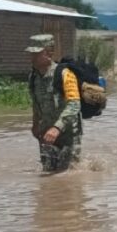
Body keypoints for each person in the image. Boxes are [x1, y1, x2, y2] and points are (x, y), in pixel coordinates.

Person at [27, 34, 82, 172]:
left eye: (37, 54)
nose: (32, 58)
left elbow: (74, 104)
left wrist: (57, 128)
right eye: (31, 54)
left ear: (49, 53)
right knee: (48, 171)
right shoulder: (33, 77)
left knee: (70, 173)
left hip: (68, 134)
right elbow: (36, 103)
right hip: (46, 133)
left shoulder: (65, 74)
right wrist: (35, 124)